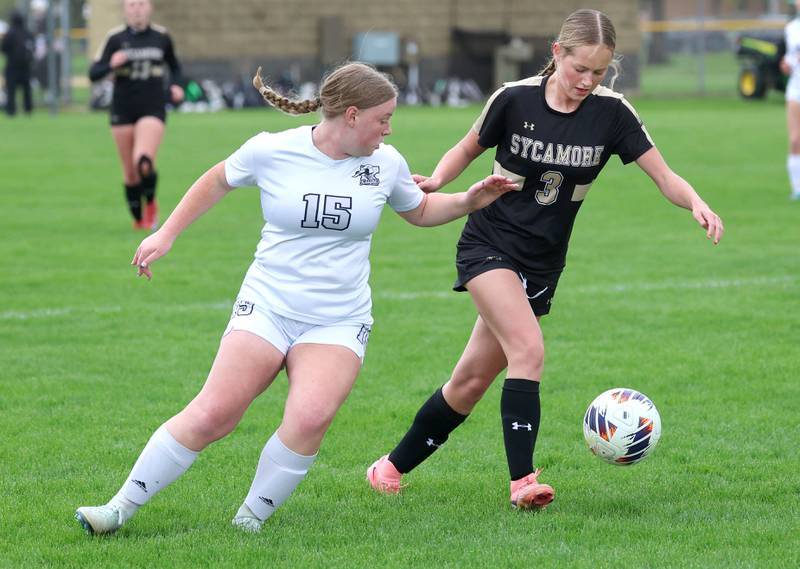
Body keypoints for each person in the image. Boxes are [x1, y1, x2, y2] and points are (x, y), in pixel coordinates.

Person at [74, 61, 518, 536]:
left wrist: (468, 201)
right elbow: (218, 179)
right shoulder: (272, 149)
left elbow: (421, 208)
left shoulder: (385, 162)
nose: (388, 129)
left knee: (310, 417)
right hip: (268, 305)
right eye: (382, 119)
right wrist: (167, 233)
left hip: (338, 319)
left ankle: (249, 521)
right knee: (215, 412)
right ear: (350, 115)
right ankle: (117, 509)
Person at [366, 8, 724, 510]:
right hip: (489, 244)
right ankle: (523, 483)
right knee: (528, 351)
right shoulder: (513, 99)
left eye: (599, 72)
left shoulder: (613, 113)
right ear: (557, 53)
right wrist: (438, 182)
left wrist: (697, 203)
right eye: (580, 69)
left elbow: (664, 176)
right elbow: (467, 147)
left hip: (543, 263)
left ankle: (388, 468)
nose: (587, 81)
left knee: (469, 383)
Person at [88, 0, 184, 230]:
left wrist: (177, 86)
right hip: (122, 108)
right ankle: (138, 219)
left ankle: (151, 203)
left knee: (143, 161)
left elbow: (175, 67)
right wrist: (111, 65)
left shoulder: (161, 37)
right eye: (132, 4)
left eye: (141, 4)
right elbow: (94, 73)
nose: (137, 9)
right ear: (125, 9)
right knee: (130, 174)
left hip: (152, 106)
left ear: (149, 8)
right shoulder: (115, 38)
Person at [781, 0, 800, 200]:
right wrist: (786, 64)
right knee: (795, 140)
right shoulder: (792, 28)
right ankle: (797, 189)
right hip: (796, 89)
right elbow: (790, 57)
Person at [1, 10, 34, 117]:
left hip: (12, 66)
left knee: (11, 90)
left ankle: (11, 110)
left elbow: (3, 49)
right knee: (27, 90)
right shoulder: (28, 33)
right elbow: (33, 48)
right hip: (26, 67)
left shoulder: (10, 33)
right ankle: (28, 109)